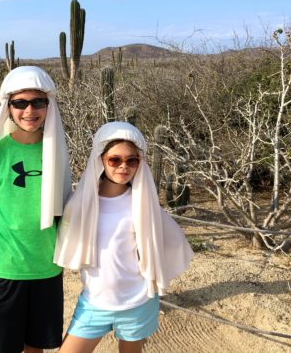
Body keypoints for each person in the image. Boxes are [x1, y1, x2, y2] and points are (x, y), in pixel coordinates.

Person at [54, 121, 194, 353]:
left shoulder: (144, 204)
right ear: (100, 159)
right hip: (95, 302)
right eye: (114, 160)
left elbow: (172, 241)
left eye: (132, 160)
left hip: (138, 303)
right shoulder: (80, 203)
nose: (123, 166)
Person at [0, 66, 72, 353]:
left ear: (48, 106)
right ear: (9, 108)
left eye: (38, 102)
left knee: (35, 347)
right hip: (5, 269)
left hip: (46, 270)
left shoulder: (57, 152)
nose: (29, 110)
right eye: (20, 103)